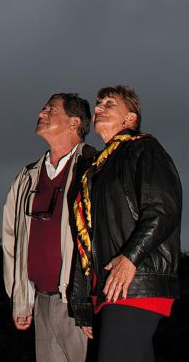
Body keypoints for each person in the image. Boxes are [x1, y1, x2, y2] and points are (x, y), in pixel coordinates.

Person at [71, 85, 182, 362]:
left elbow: (163, 210)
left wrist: (130, 258)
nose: (98, 108)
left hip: (135, 282)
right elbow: (89, 238)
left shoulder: (144, 148)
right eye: (98, 104)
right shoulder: (97, 168)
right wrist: (86, 302)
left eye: (109, 103)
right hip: (109, 289)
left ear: (130, 118)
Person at [3, 92, 97, 362]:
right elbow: (11, 238)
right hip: (42, 302)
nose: (41, 114)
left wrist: (91, 302)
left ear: (74, 122)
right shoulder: (27, 177)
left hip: (78, 304)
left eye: (50, 110)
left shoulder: (94, 169)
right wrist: (21, 298)